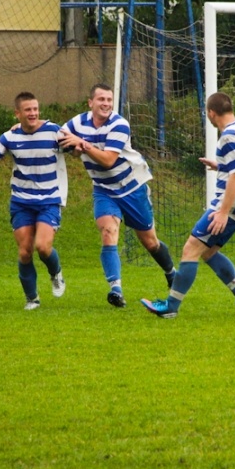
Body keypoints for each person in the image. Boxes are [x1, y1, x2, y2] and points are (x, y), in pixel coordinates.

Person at [140, 92, 235, 319]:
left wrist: (223, 212)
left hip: (230, 205)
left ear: (211, 113)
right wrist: (220, 165)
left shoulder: (229, 136)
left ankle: (171, 307)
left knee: (191, 248)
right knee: (208, 251)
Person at [58, 83, 176, 308]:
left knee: (150, 242)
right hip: (104, 189)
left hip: (131, 188)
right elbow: (57, 137)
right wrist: (23, 127)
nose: (106, 104)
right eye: (101, 99)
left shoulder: (119, 124)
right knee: (108, 231)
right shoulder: (76, 123)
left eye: (109, 100)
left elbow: (108, 160)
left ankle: (171, 274)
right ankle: (116, 290)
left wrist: (81, 144)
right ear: (90, 102)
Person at [0, 92, 67, 310]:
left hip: (49, 200)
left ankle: (56, 273)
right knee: (24, 251)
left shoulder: (54, 131)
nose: (33, 113)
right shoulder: (10, 137)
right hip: (21, 202)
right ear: (17, 113)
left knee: (43, 247)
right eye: (28, 110)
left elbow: (76, 144)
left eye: (35, 109)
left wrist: (81, 145)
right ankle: (32, 299)